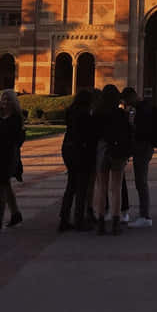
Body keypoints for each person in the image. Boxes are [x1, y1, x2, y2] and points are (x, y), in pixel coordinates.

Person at [92, 85, 132, 235]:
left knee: (102, 188)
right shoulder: (121, 114)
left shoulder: (97, 113)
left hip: (102, 151)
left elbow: (94, 135)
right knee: (116, 188)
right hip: (117, 152)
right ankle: (116, 222)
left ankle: (101, 222)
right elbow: (128, 133)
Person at [58, 89, 98, 231]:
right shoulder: (85, 114)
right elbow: (90, 136)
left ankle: (64, 219)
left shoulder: (70, 112)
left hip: (67, 149)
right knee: (82, 187)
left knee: (71, 186)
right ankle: (79, 220)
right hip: (80, 152)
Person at [128, 91, 157, 228]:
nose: (127, 105)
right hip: (146, 147)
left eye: (128, 101)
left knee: (141, 181)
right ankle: (143, 214)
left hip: (142, 149)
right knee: (141, 181)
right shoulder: (145, 107)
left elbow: (142, 131)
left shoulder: (142, 110)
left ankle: (144, 215)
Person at [0, 89, 25, 234]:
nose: (5, 102)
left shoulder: (15, 119)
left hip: (8, 156)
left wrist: (0, 150)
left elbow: (15, 139)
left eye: (9, 99)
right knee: (5, 186)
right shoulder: (0, 117)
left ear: (14, 102)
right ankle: (16, 214)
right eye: (3, 99)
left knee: (0, 188)